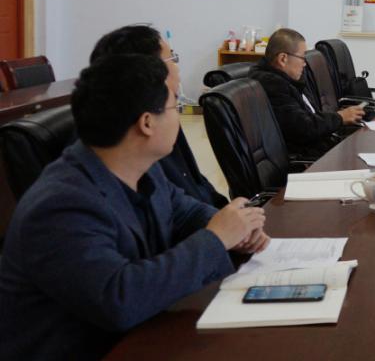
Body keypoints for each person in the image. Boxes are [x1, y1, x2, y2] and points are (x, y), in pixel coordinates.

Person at [0, 55, 269, 360]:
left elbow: (184, 211)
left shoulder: (142, 169)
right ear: (146, 123)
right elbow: (119, 299)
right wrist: (217, 239)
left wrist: (236, 229)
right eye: (174, 106)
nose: (179, 117)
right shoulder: (60, 205)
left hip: (143, 336)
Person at [90, 24, 227, 207]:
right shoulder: (135, 152)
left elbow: (195, 185)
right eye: (172, 59)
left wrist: (227, 212)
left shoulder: (162, 120)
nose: (177, 68)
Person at [250, 28, 365, 159]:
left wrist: (339, 117)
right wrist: (340, 117)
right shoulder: (273, 85)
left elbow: (310, 115)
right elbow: (303, 127)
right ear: (283, 59)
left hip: (318, 147)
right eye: (302, 58)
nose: (304, 64)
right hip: (307, 158)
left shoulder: (287, 79)